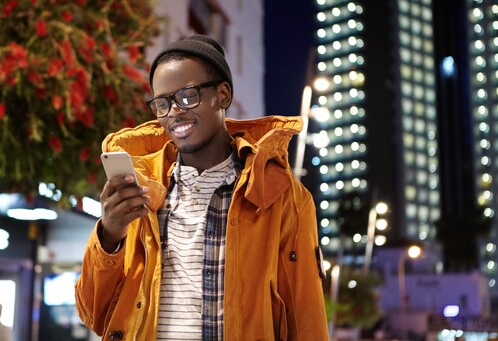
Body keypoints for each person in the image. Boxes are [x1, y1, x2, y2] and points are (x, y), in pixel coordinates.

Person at [75, 34, 329, 340]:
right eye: (162, 103)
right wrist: (110, 235)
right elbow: (93, 315)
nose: (174, 112)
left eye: (187, 96)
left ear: (222, 95)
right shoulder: (144, 190)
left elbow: (305, 319)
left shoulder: (282, 196)